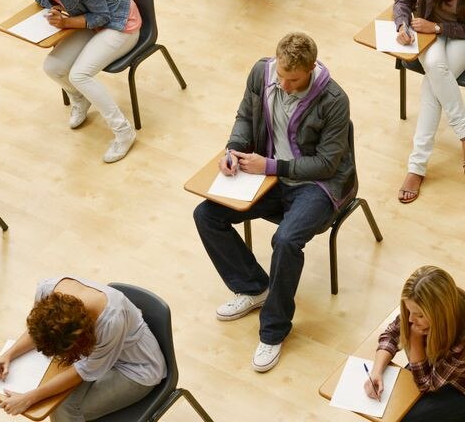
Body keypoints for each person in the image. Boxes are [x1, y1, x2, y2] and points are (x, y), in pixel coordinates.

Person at [193, 32, 353, 373]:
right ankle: (253, 287)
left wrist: (272, 166)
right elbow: (245, 118)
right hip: (270, 176)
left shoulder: (335, 100)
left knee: (285, 240)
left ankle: (274, 330)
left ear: (311, 69)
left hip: (317, 185)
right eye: (280, 75)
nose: (283, 84)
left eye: (293, 79)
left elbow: (327, 163)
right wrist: (233, 149)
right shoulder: (261, 73)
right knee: (206, 214)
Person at [0, 276, 166, 421]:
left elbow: (82, 371)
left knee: (63, 409)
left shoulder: (111, 320)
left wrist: (30, 397)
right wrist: (9, 354)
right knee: (55, 396)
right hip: (100, 358)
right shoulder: (46, 290)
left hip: (136, 369)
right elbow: (40, 331)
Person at [25, 0, 142, 163]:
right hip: (89, 21)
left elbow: (102, 16)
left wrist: (65, 22)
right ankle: (80, 99)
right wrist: (55, 7)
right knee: (52, 67)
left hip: (119, 22)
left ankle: (124, 131)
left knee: (79, 76)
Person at [364, 266, 465, 421]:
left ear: (440, 313)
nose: (410, 319)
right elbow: (391, 335)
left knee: (406, 417)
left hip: (458, 385)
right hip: (433, 368)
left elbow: (427, 384)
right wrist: (376, 371)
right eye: (408, 311)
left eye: (419, 315)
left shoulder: (461, 341)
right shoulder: (427, 307)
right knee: (393, 407)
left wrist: (415, 338)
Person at [394, 0, 465, 203]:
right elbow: (402, 0)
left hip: (461, 35)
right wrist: (402, 25)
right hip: (426, 31)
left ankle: (416, 167)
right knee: (435, 67)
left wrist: (438, 27)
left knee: (432, 85)